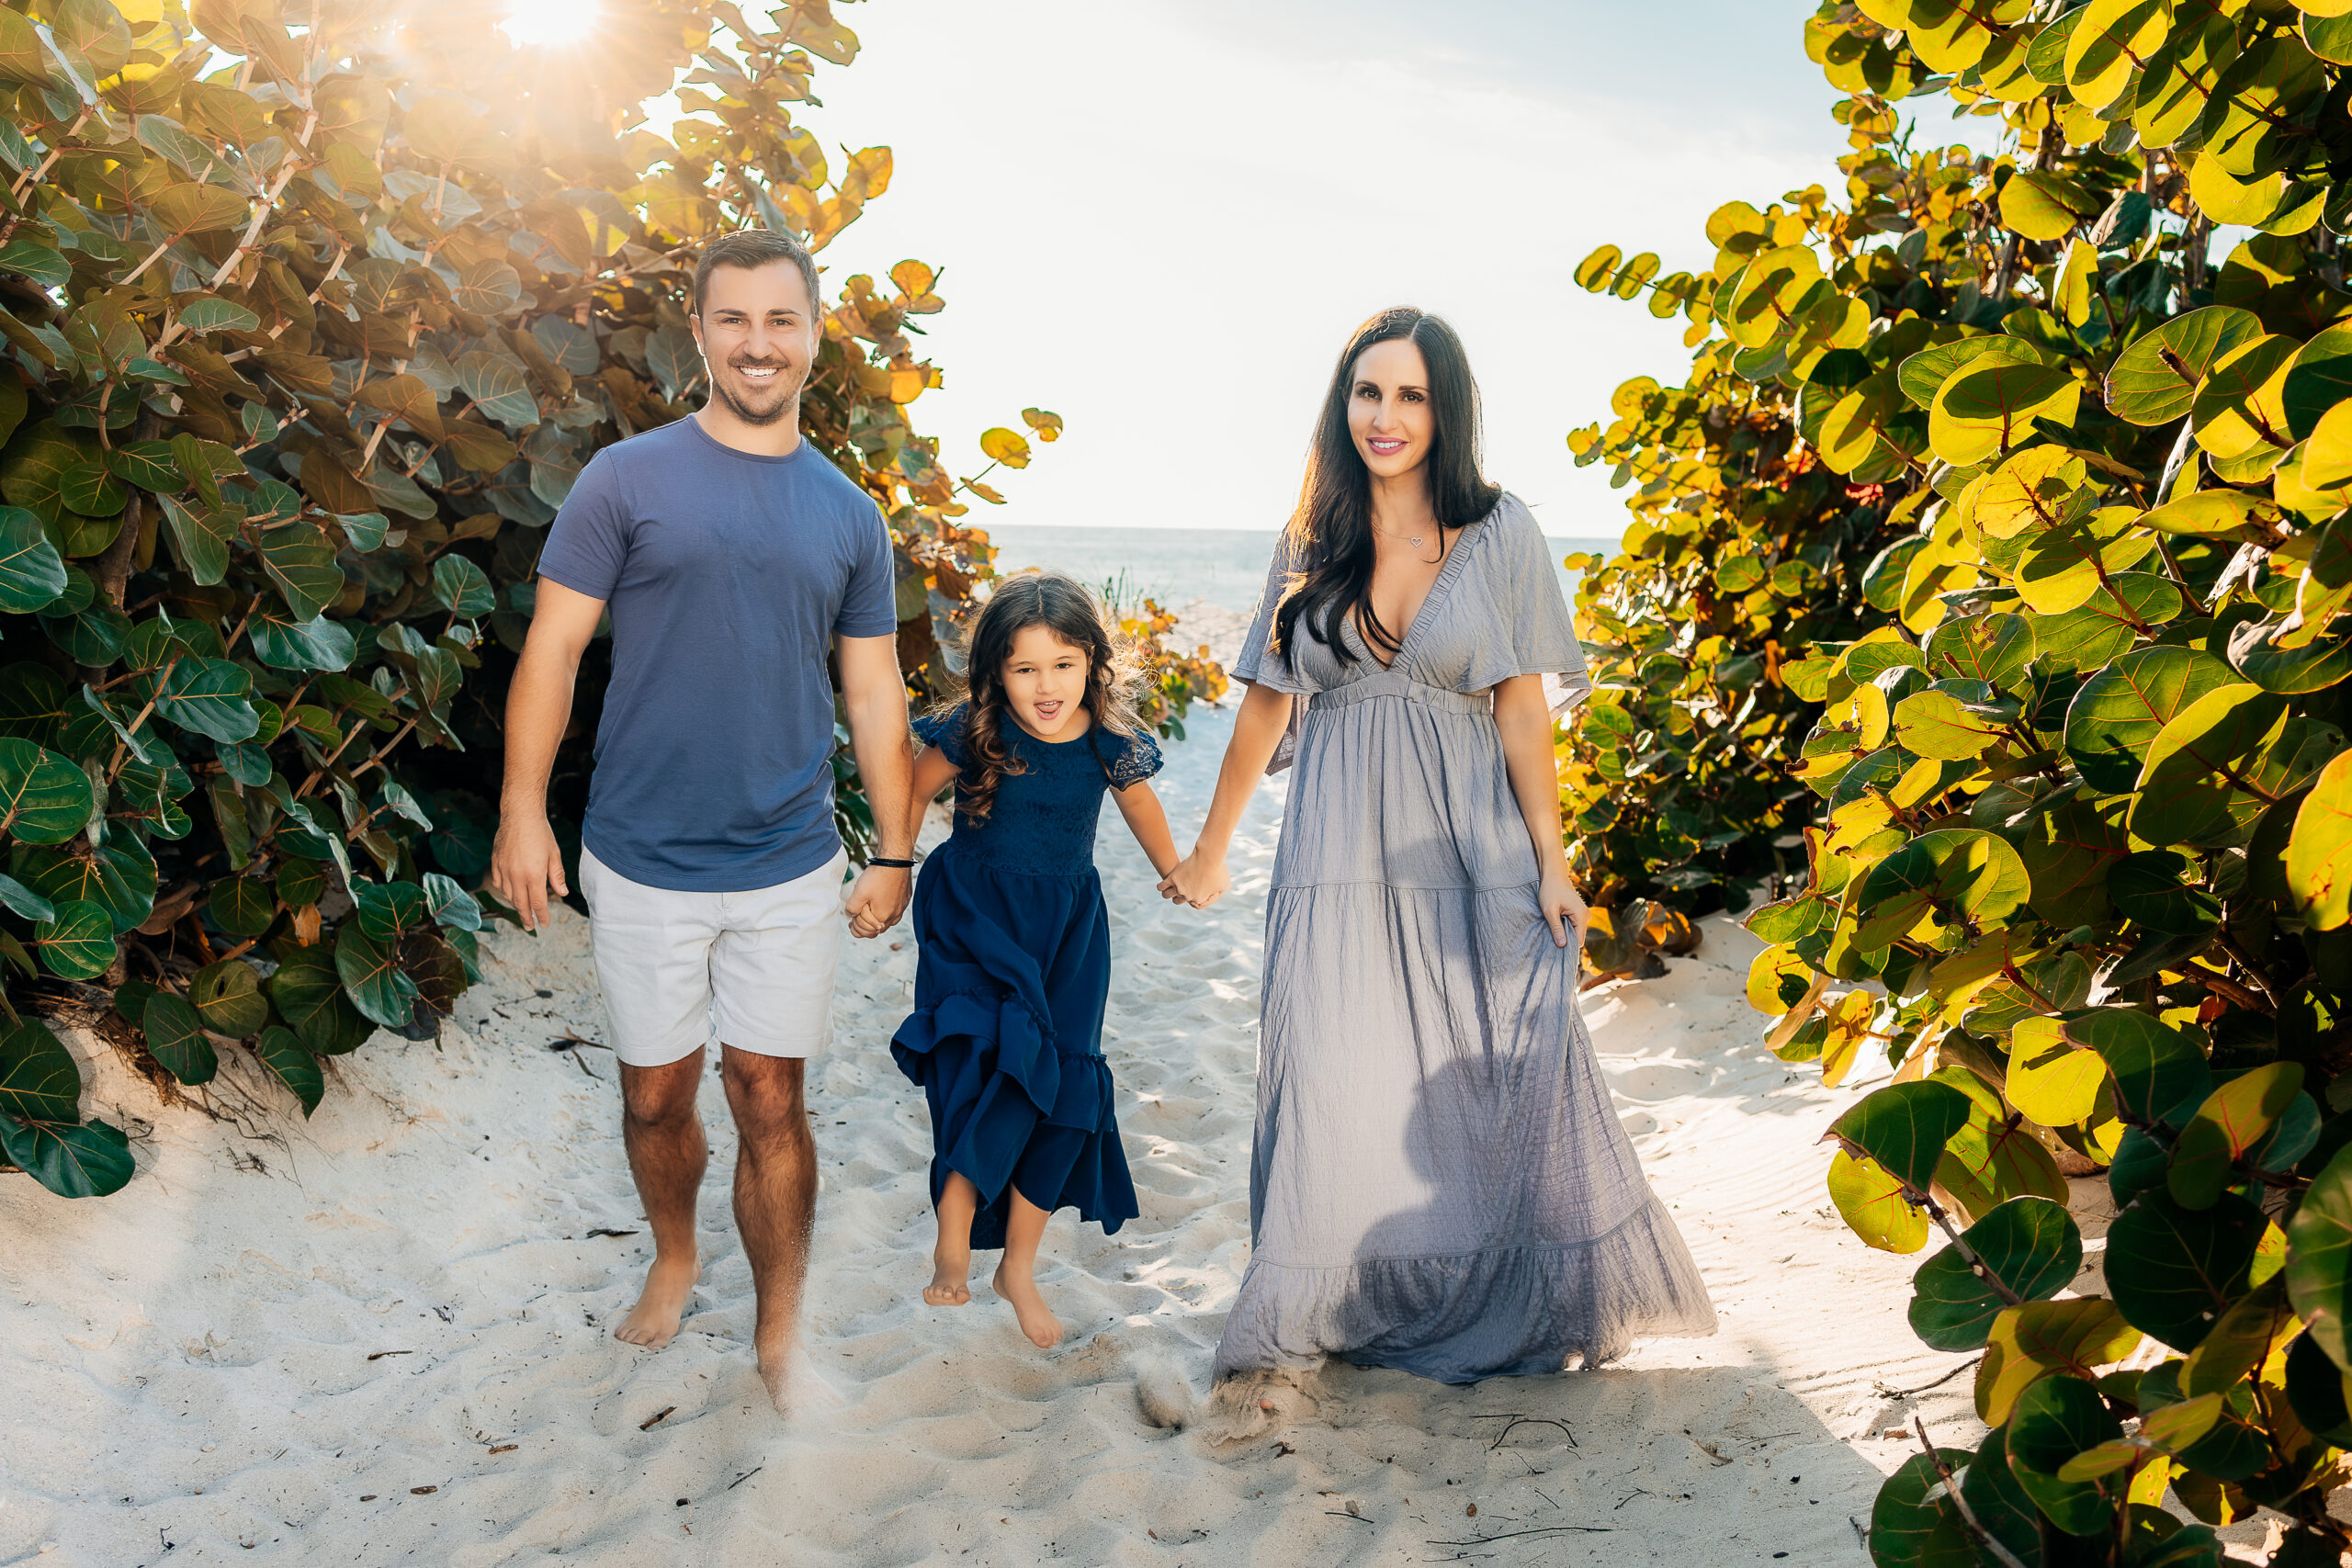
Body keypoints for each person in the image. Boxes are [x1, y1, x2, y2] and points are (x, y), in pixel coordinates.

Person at [1159, 307, 1716, 1387]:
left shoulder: (1501, 531)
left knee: (1487, 1068)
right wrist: (1212, 847)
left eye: (1410, 394)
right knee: (1336, 1066)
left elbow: (1521, 707)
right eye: (1368, 391)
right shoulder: (1309, 538)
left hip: (1469, 840)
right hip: (1335, 851)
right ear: (1344, 402)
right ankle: (1344, 1297)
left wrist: (1553, 861)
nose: (1385, 415)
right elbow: (1264, 709)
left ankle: (1497, 1292)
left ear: (1445, 409)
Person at [489, 229, 918, 1416]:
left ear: (815, 334)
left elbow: (875, 692)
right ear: (702, 331)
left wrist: (895, 848)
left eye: (781, 320)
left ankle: (781, 1329)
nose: (758, 342)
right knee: (656, 1099)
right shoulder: (624, 480)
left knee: (771, 1094)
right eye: (735, 319)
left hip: (787, 857)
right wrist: (525, 809)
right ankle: (675, 1253)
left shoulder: (848, 513)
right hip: (640, 854)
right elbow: (556, 647)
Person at [890, 571, 1177, 1349]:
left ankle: (1019, 1264)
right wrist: (888, 869)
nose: (1045, 686)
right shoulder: (977, 731)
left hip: (1066, 935)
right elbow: (912, 792)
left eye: (1062, 665)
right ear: (996, 671)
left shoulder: (1107, 741)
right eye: (1024, 669)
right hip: (973, 916)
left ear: (1092, 662)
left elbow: (1142, 804)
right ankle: (953, 1231)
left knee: (1058, 1084)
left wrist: (1173, 866)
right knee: (977, 1061)